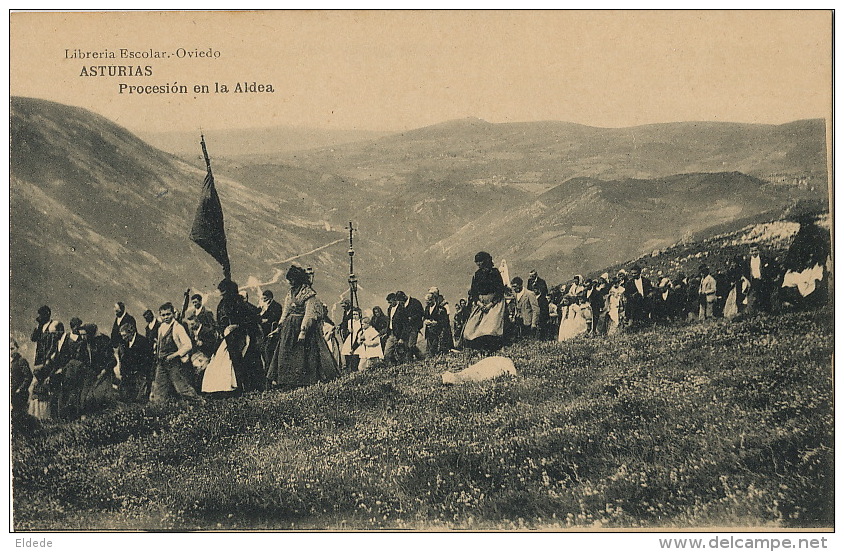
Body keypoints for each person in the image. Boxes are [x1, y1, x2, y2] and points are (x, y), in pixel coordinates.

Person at [266, 265, 340, 388]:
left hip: (303, 327)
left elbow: (309, 313)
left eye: (292, 280)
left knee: (304, 354)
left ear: (298, 279)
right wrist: (279, 326)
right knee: (286, 352)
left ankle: (304, 380)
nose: (290, 282)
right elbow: (286, 310)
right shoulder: (290, 292)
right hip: (289, 327)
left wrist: (303, 331)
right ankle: (287, 381)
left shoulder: (308, 293)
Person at [216, 279, 264, 392]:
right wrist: (225, 329)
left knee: (248, 361)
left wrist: (237, 326)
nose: (222, 295)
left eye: (224, 292)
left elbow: (254, 319)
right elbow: (220, 321)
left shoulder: (239, 302)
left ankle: (252, 387)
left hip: (245, 337)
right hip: (231, 338)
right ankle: (240, 387)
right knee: (235, 362)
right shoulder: (223, 304)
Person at [150, 302, 203, 403]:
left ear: (173, 314)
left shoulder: (178, 327)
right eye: (163, 315)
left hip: (174, 363)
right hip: (162, 363)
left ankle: (200, 403)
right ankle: (159, 411)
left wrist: (174, 355)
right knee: (159, 389)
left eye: (168, 314)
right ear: (160, 315)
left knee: (182, 388)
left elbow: (188, 345)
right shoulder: (161, 328)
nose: (166, 317)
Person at [461, 251, 506, 352]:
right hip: (480, 303)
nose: (478, 264)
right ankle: (477, 347)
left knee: (490, 327)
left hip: (494, 303)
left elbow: (500, 290)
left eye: (480, 261)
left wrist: (490, 304)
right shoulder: (477, 274)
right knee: (471, 327)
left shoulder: (494, 273)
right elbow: (474, 291)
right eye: (477, 262)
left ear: (486, 261)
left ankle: (491, 347)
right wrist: (479, 303)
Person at [116, 322, 155, 403]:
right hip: (128, 375)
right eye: (122, 335)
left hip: (141, 375)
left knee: (140, 398)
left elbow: (148, 360)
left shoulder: (143, 342)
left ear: (131, 333)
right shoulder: (123, 343)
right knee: (126, 397)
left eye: (124, 335)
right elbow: (122, 359)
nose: (123, 338)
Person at [396, 291, 424, 360]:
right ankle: (410, 359)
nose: (400, 302)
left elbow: (421, 313)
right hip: (406, 327)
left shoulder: (415, 302)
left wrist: (412, 318)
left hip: (414, 326)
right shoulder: (401, 306)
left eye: (400, 300)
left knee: (411, 345)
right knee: (407, 346)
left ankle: (421, 357)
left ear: (404, 297)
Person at [423, 291, 451, 356]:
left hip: (437, 332)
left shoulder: (440, 309)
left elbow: (445, 322)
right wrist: (426, 321)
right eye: (426, 302)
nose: (427, 303)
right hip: (429, 332)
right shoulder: (427, 308)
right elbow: (425, 317)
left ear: (433, 299)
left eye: (429, 301)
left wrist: (436, 323)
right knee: (429, 349)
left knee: (434, 350)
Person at [11, 339, 33, 422]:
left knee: (19, 417)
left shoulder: (21, 361)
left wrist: (20, 389)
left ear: (17, 348)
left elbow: (28, 377)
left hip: (19, 395)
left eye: (12, 348)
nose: (10, 351)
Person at [383, 293, 407, 364]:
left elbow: (405, 325)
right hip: (391, 334)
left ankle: (402, 368)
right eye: (388, 302)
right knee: (387, 353)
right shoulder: (389, 309)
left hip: (398, 335)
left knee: (401, 354)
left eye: (390, 302)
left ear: (395, 300)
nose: (390, 304)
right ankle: (393, 365)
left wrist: (402, 338)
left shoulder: (402, 309)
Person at [526, 270, 549, 338]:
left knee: (542, 321)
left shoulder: (542, 282)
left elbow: (544, 292)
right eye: (530, 276)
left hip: (541, 303)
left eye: (532, 276)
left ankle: (543, 337)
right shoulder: (529, 281)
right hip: (533, 301)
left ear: (535, 275)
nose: (530, 277)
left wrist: (538, 294)